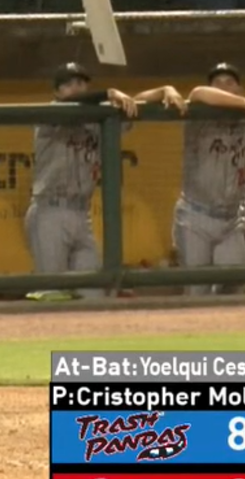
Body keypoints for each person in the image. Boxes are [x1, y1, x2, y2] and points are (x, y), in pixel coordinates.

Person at [25, 63, 184, 301]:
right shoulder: (50, 116)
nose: (76, 88)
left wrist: (164, 90)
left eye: (80, 83)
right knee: (53, 294)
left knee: (94, 294)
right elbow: (73, 105)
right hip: (49, 211)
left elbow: (133, 104)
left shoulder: (98, 120)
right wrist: (109, 93)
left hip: (81, 214)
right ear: (57, 93)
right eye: (68, 85)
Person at [175, 63, 245, 295]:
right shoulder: (199, 115)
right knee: (197, 291)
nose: (224, 86)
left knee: (235, 283)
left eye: (230, 82)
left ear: (240, 88)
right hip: (194, 217)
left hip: (230, 219)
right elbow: (198, 93)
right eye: (217, 82)